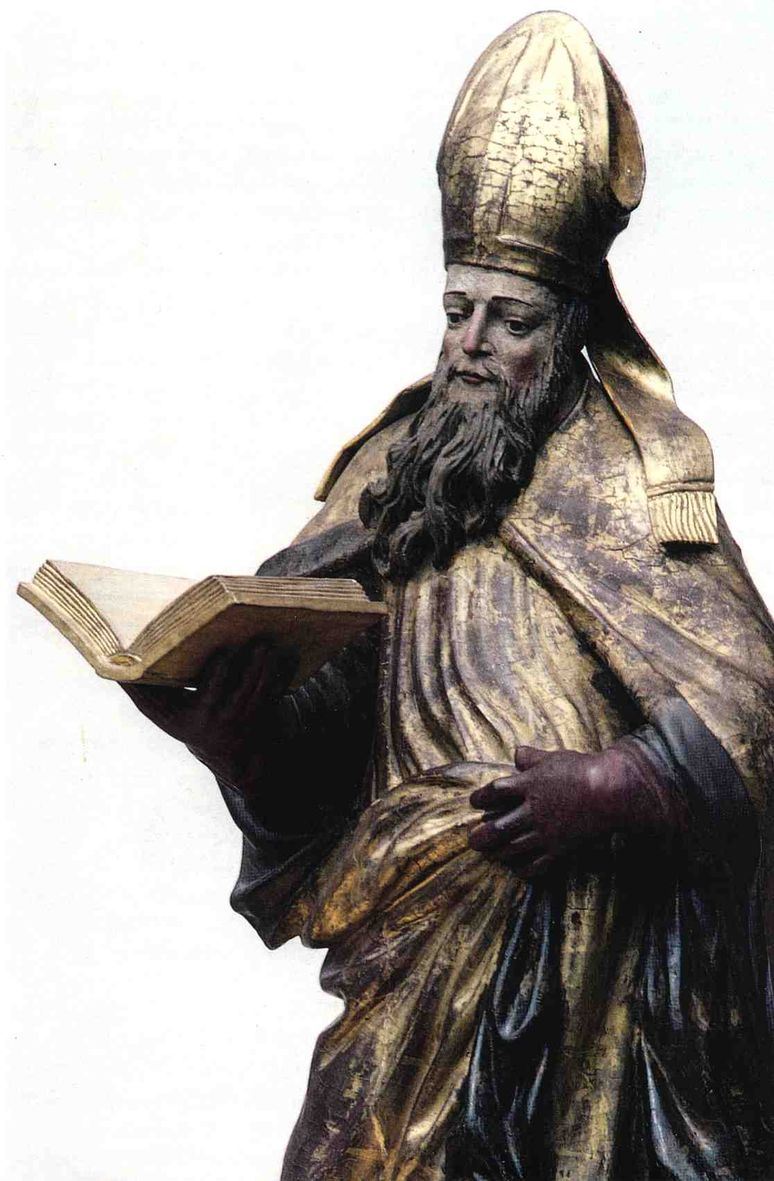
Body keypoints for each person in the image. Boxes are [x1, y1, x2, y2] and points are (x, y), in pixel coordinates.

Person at [124, 13, 774, 1181]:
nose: (471, 344)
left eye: (511, 320)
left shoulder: (637, 482)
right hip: (407, 951)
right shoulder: (392, 471)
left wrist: (616, 785)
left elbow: (753, 714)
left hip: (585, 980)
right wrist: (245, 743)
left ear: (570, 329)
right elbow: (323, 764)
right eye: (456, 310)